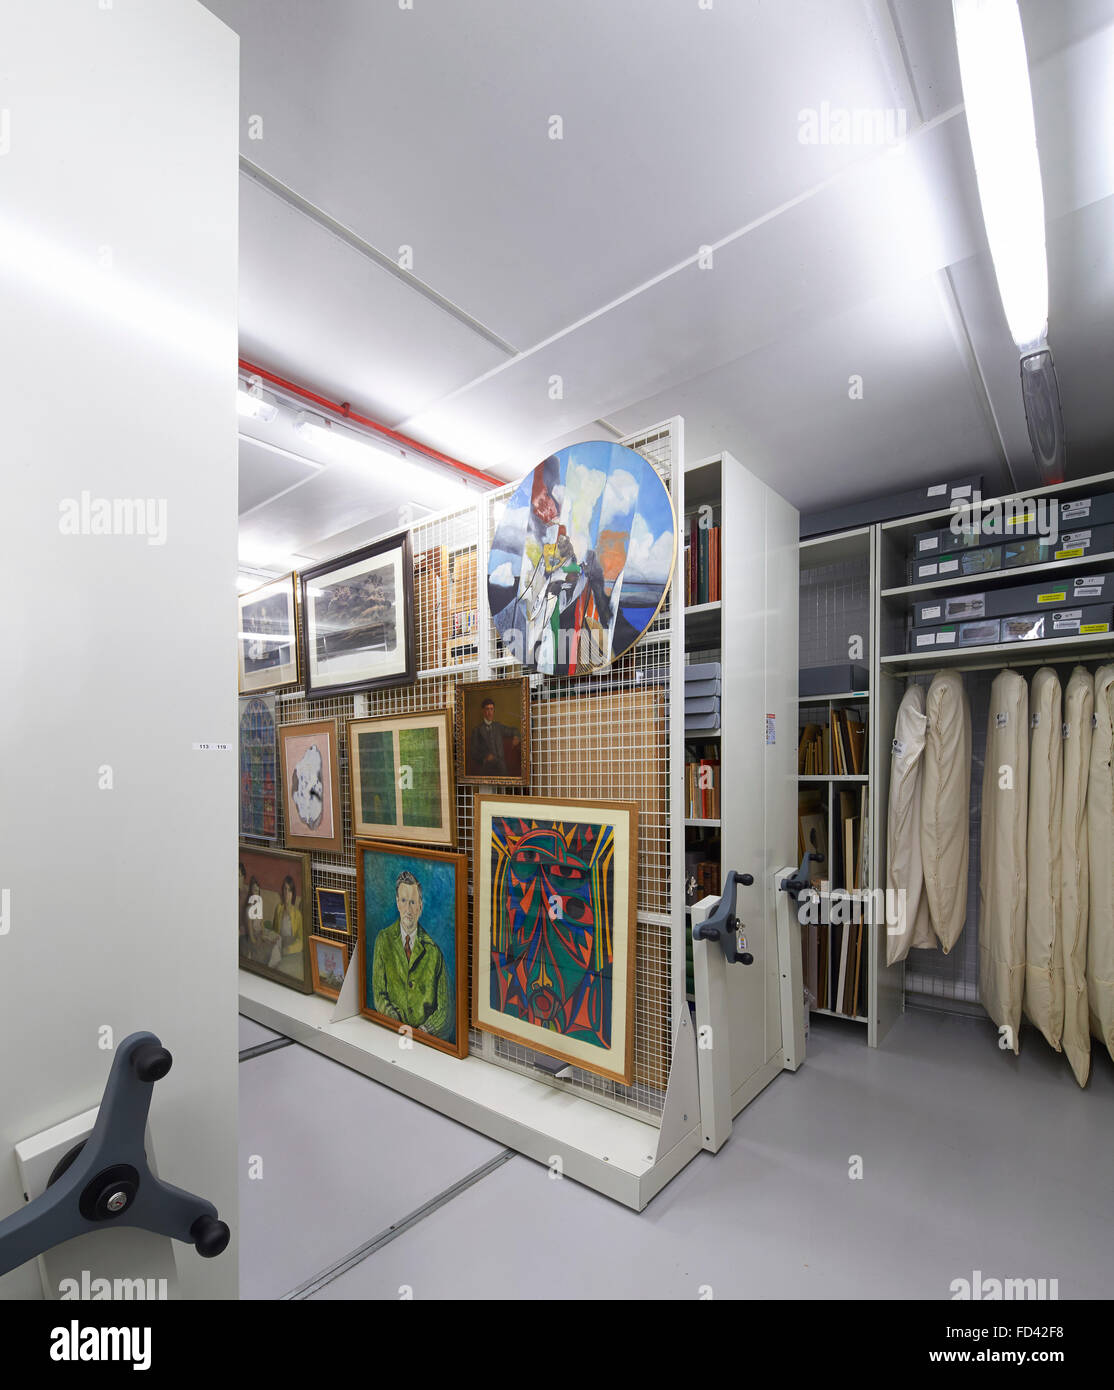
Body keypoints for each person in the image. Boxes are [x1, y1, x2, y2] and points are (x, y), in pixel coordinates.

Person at [371, 870, 451, 1039]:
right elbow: (379, 995)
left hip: (425, 1042)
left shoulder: (434, 952)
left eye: (413, 902)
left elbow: (444, 1010)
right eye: (404, 901)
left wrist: (423, 1031)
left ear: (420, 907)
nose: (408, 909)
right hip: (390, 1033)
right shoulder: (383, 940)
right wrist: (399, 1026)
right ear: (397, 903)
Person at [468, 696, 521, 779]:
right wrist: (485, 757)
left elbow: (514, 730)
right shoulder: (477, 730)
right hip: (487, 768)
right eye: (487, 709)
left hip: (501, 767)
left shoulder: (498, 726)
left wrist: (516, 736)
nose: (490, 712)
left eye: (491, 709)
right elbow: (473, 752)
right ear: (483, 711)